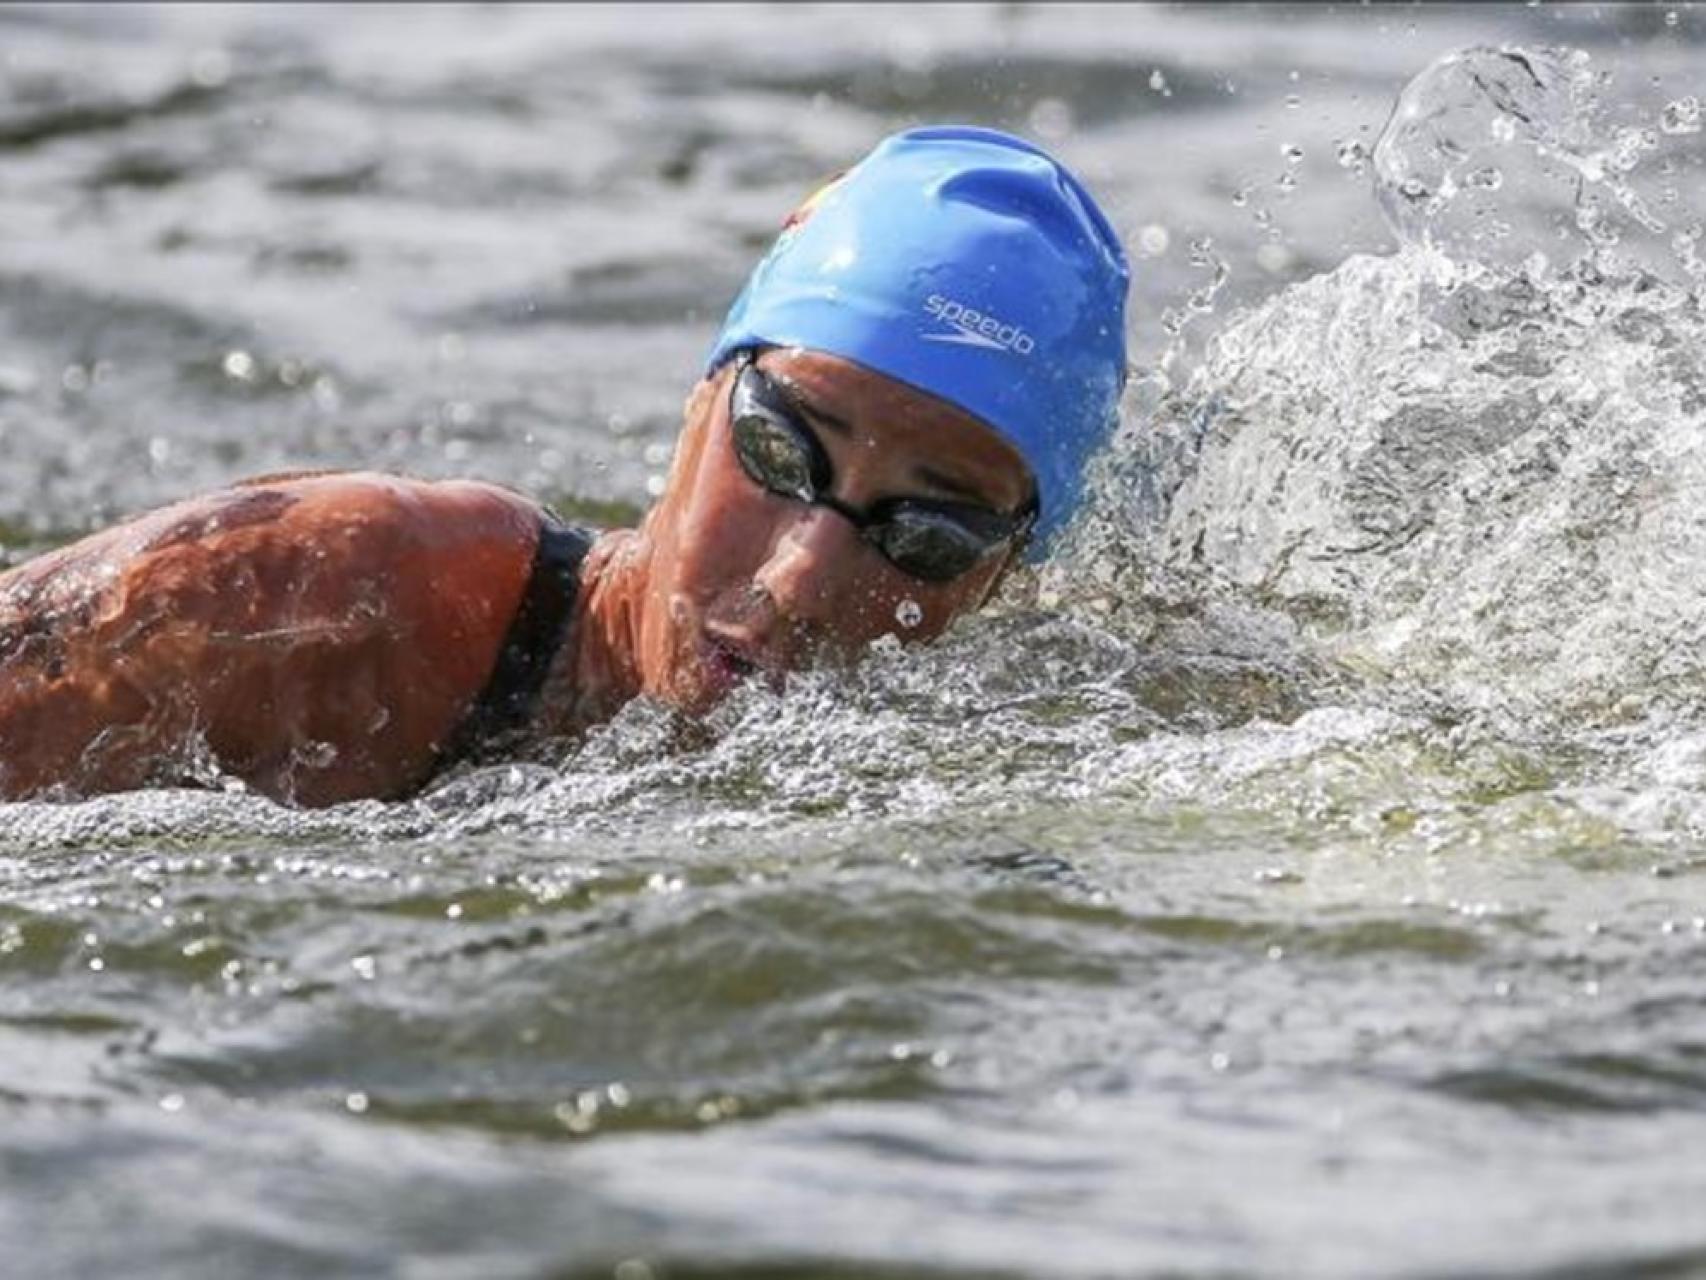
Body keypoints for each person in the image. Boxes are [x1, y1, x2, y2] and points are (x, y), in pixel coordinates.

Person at [0, 126, 1129, 807]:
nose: (797, 580)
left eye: (926, 534)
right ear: (700, 397)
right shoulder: (342, 592)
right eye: (779, 447)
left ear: (1002, 576)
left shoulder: (1034, 739)